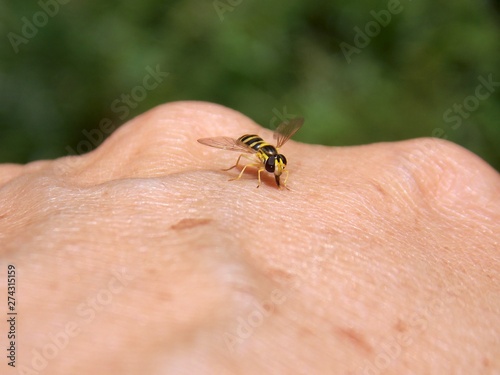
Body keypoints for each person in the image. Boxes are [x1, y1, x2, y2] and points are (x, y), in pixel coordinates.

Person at [1, 101, 498, 374]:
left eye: (275, 165)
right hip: (240, 148)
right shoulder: (250, 156)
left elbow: (280, 151)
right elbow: (243, 155)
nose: (274, 169)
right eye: (272, 166)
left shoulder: (278, 154)